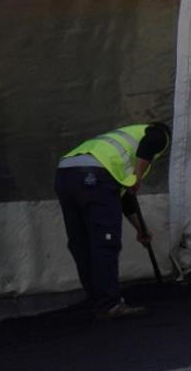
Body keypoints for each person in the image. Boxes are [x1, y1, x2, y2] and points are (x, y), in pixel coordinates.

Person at [55, 122, 171, 319]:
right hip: (95, 175)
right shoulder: (158, 133)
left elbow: (122, 197)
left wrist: (140, 229)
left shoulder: (113, 144)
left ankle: (96, 300)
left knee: (81, 241)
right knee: (105, 241)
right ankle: (110, 304)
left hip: (65, 174)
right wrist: (138, 176)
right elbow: (152, 141)